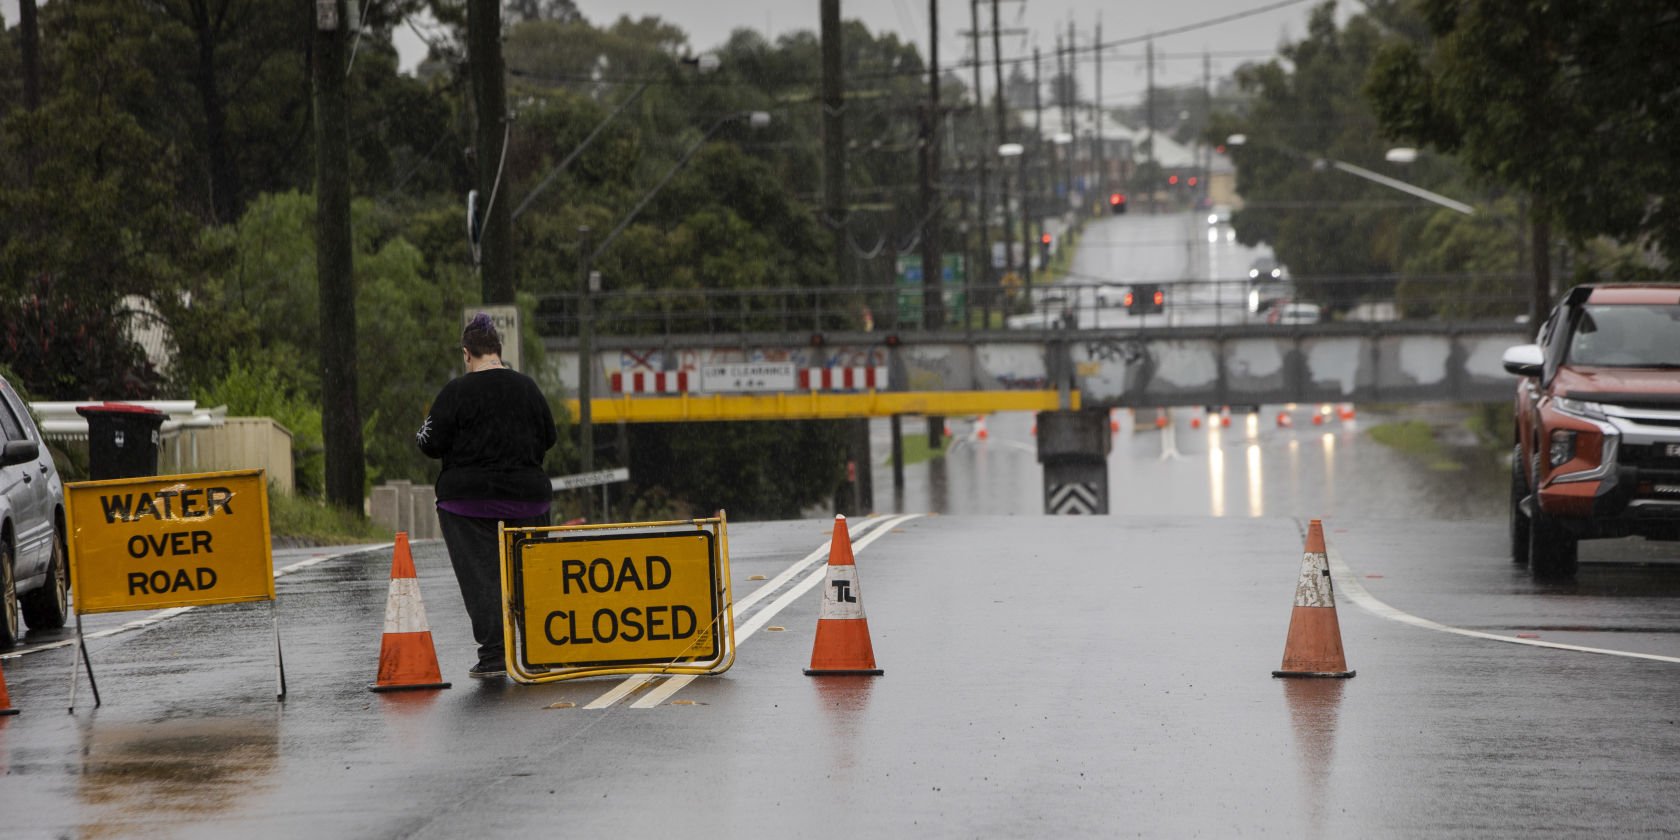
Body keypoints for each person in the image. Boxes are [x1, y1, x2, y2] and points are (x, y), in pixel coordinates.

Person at [417, 313, 556, 678]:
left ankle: (495, 653)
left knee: (481, 575)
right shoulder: (527, 388)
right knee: (531, 571)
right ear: (498, 350)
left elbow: (428, 443)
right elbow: (549, 436)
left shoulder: (455, 393)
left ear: (467, 354)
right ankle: (542, 648)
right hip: (528, 496)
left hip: (468, 501)